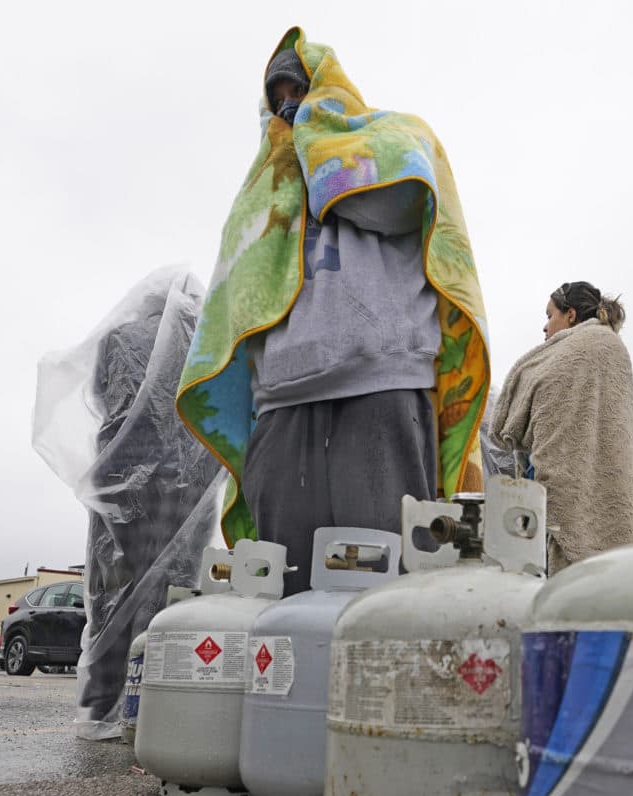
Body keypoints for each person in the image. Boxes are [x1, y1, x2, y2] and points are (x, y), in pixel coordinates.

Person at [176, 27, 489, 593]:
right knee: (280, 593)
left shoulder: (394, 136)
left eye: (300, 87)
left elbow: (398, 201)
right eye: (278, 97)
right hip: (283, 401)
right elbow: (242, 288)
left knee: (378, 587)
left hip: (381, 384)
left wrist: (318, 145)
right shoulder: (265, 183)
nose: (290, 104)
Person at [491, 281, 633, 574]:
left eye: (549, 315)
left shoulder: (575, 351)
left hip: (555, 495)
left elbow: (507, 420)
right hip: (608, 493)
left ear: (570, 315)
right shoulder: (613, 348)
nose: (545, 328)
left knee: (560, 595)